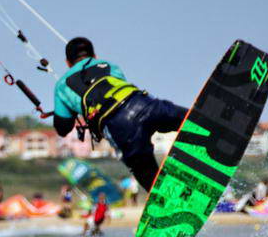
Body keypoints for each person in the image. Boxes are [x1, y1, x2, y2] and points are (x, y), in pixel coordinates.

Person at [52, 37, 188, 191]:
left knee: (143, 168)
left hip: (120, 126)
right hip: (144, 104)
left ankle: (166, 196)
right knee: (188, 121)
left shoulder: (61, 86)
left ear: (67, 63)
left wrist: (71, 110)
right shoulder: (109, 65)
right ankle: (209, 131)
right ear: (94, 56)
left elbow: (62, 128)